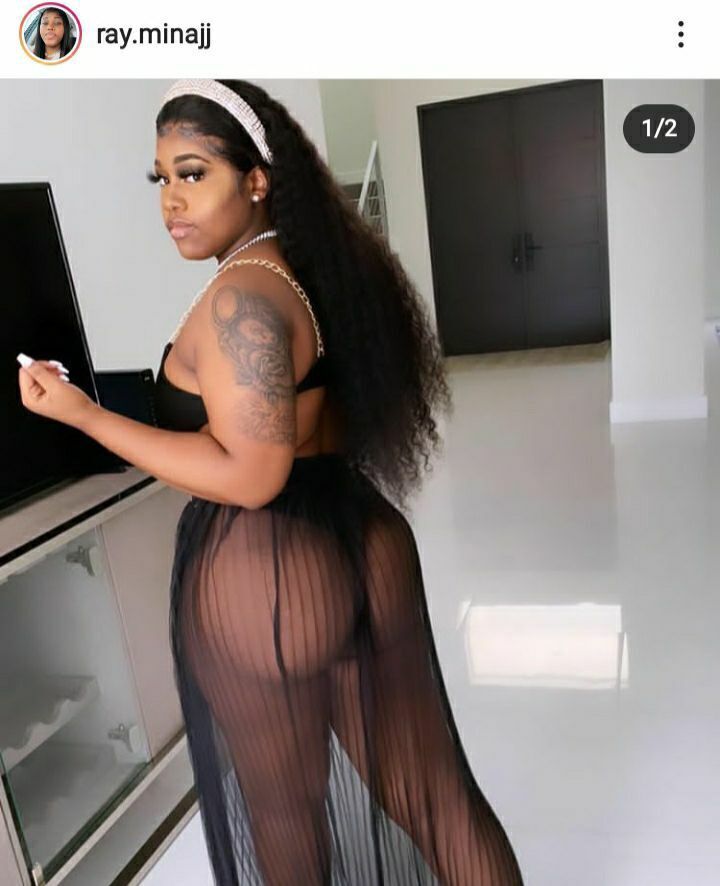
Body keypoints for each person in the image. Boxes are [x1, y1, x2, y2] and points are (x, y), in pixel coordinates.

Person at [18, 79, 524, 885]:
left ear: (256, 178)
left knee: (285, 816)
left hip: (270, 573)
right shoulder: (318, 270)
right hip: (362, 540)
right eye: (161, 178)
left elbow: (252, 476)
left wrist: (85, 418)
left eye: (193, 173)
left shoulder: (241, 299)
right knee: (435, 799)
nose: (171, 201)